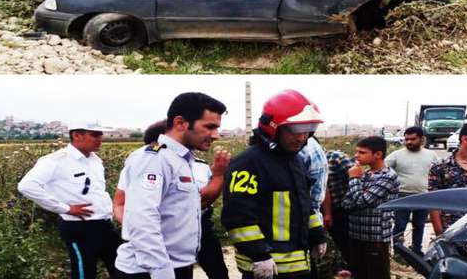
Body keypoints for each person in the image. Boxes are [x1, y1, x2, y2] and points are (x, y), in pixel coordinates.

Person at [115, 92, 227, 279]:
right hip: (150, 270)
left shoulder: (183, 160)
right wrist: (162, 273)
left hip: (177, 265)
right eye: (209, 127)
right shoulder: (155, 159)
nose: (215, 135)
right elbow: (142, 221)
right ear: (180, 123)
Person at [221, 89, 326, 279]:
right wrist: (259, 254)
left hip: (299, 266)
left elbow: (304, 205)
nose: (302, 138)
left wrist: (317, 235)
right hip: (267, 268)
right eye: (294, 130)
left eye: (307, 130)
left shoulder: (295, 161)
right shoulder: (248, 162)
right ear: (273, 127)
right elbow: (238, 217)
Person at [18, 124, 122, 279]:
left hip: (104, 225)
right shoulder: (57, 160)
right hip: (79, 227)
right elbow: (26, 186)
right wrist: (65, 208)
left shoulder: (95, 160)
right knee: (84, 273)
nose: (100, 138)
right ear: (77, 135)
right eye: (94, 134)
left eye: (101, 134)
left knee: (122, 269)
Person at [342, 136, 400, 279]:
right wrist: (359, 192)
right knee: (358, 274)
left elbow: (363, 201)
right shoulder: (364, 174)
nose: (356, 156)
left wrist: (354, 180)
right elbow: (346, 203)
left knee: (376, 274)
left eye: (362, 152)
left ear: (378, 154)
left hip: (375, 239)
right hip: (356, 235)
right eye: (357, 152)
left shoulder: (388, 176)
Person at [385, 126, 439, 256]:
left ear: (422, 139)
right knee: (399, 226)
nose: (409, 142)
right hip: (402, 196)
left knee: (419, 225)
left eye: (413, 139)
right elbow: (383, 168)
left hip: (424, 197)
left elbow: (439, 172)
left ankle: (416, 252)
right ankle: (398, 253)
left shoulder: (431, 155)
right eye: (406, 139)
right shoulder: (397, 155)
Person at [298, 136, 328, 279]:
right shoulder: (313, 146)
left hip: (299, 224)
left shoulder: (302, 149)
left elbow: (307, 200)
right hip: (309, 219)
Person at [322, 149, 355, 271]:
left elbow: (357, 177)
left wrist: (349, 201)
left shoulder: (336, 158)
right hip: (328, 211)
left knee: (350, 244)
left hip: (345, 210)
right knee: (341, 244)